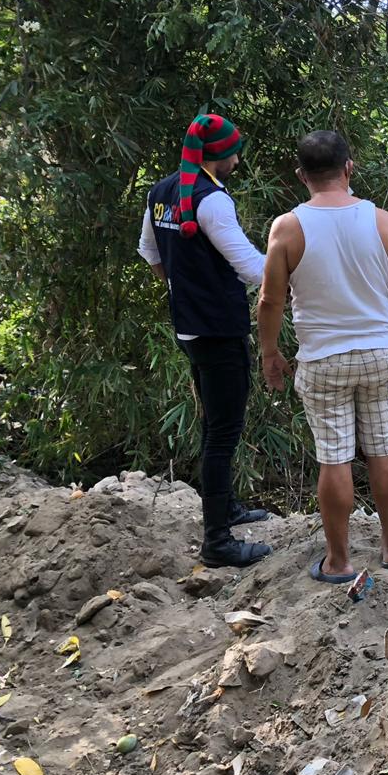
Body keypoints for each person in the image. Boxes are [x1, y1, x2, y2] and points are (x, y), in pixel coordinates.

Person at [257, 130, 388, 583]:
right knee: (383, 448)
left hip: (323, 361)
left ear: (301, 177)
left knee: (334, 458)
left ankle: (338, 562)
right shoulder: (382, 222)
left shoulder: (288, 228)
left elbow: (270, 302)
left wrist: (270, 353)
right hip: (379, 354)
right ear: (349, 168)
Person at [137, 114, 273, 568]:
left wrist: (182, 288)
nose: (238, 157)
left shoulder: (161, 193)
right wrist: (298, 273)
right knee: (223, 432)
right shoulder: (211, 200)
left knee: (213, 424)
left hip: (189, 326)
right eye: (235, 151)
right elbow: (253, 268)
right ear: (222, 155)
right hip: (218, 329)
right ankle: (217, 541)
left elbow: (150, 253)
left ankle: (227, 508)